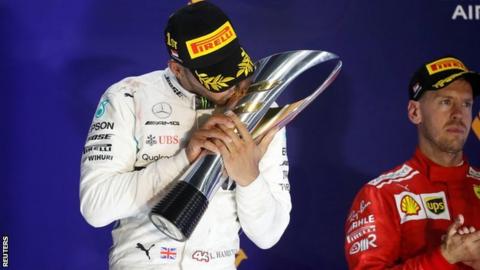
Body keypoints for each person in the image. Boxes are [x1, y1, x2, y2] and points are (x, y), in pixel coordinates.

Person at [79, 1, 291, 269]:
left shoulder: (262, 108)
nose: (233, 85)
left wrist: (249, 178)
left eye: (232, 64)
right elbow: (96, 208)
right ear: (177, 69)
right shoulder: (128, 97)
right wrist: (184, 159)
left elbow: (269, 235)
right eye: (216, 76)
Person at [344, 55, 480, 269]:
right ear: (415, 112)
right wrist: (444, 257)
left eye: (466, 104)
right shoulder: (382, 194)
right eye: (446, 102)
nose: (458, 114)